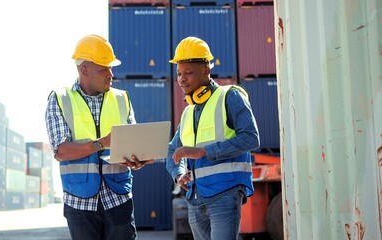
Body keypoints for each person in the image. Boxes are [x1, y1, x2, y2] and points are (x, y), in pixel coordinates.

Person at [45, 34, 153, 240]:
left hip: (118, 197)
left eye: (111, 67)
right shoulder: (60, 99)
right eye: (104, 68)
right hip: (79, 202)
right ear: (84, 69)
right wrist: (101, 144)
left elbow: (133, 143)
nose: (110, 73)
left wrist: (137, 160)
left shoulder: (122, 98)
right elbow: (60, 151)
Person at [166, 36, 260, 240]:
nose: (182, 79)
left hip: (225, 194)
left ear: (206, 70)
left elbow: (251, 138)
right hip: (195, 198)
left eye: (188, 73)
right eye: (179, 73)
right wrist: (178, 173)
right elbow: (173, 150)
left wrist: (203, 152)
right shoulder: (188, 112)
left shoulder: (230, 96)